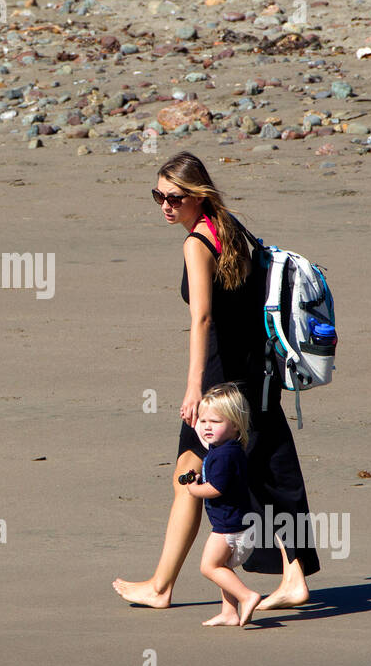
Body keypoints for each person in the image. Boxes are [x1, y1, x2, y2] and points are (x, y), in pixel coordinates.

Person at [112, 151, 320, 609]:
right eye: (158, 196)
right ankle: (292, 576)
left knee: (193, 472)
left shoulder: (197, 244)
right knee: (268, 473)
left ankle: (163, 587)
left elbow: (202, 319)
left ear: (197, 195)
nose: (165, 205)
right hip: (258, 373)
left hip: (221, 382)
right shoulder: (232, 229)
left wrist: (193, 388)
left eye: (174, 197)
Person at [187, 384, 261, 627]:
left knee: (209, 567)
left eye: (215, 422)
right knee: (224, 567)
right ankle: (229, 612)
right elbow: (206, 433)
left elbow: (216, 489)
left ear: (235, 424)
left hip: (229, 528)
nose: (207, 427)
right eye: (204, 420)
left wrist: (194, 489)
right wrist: (194, 421)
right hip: (241, 524)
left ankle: (246, 596)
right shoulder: (230, 448)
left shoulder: (222, 456)